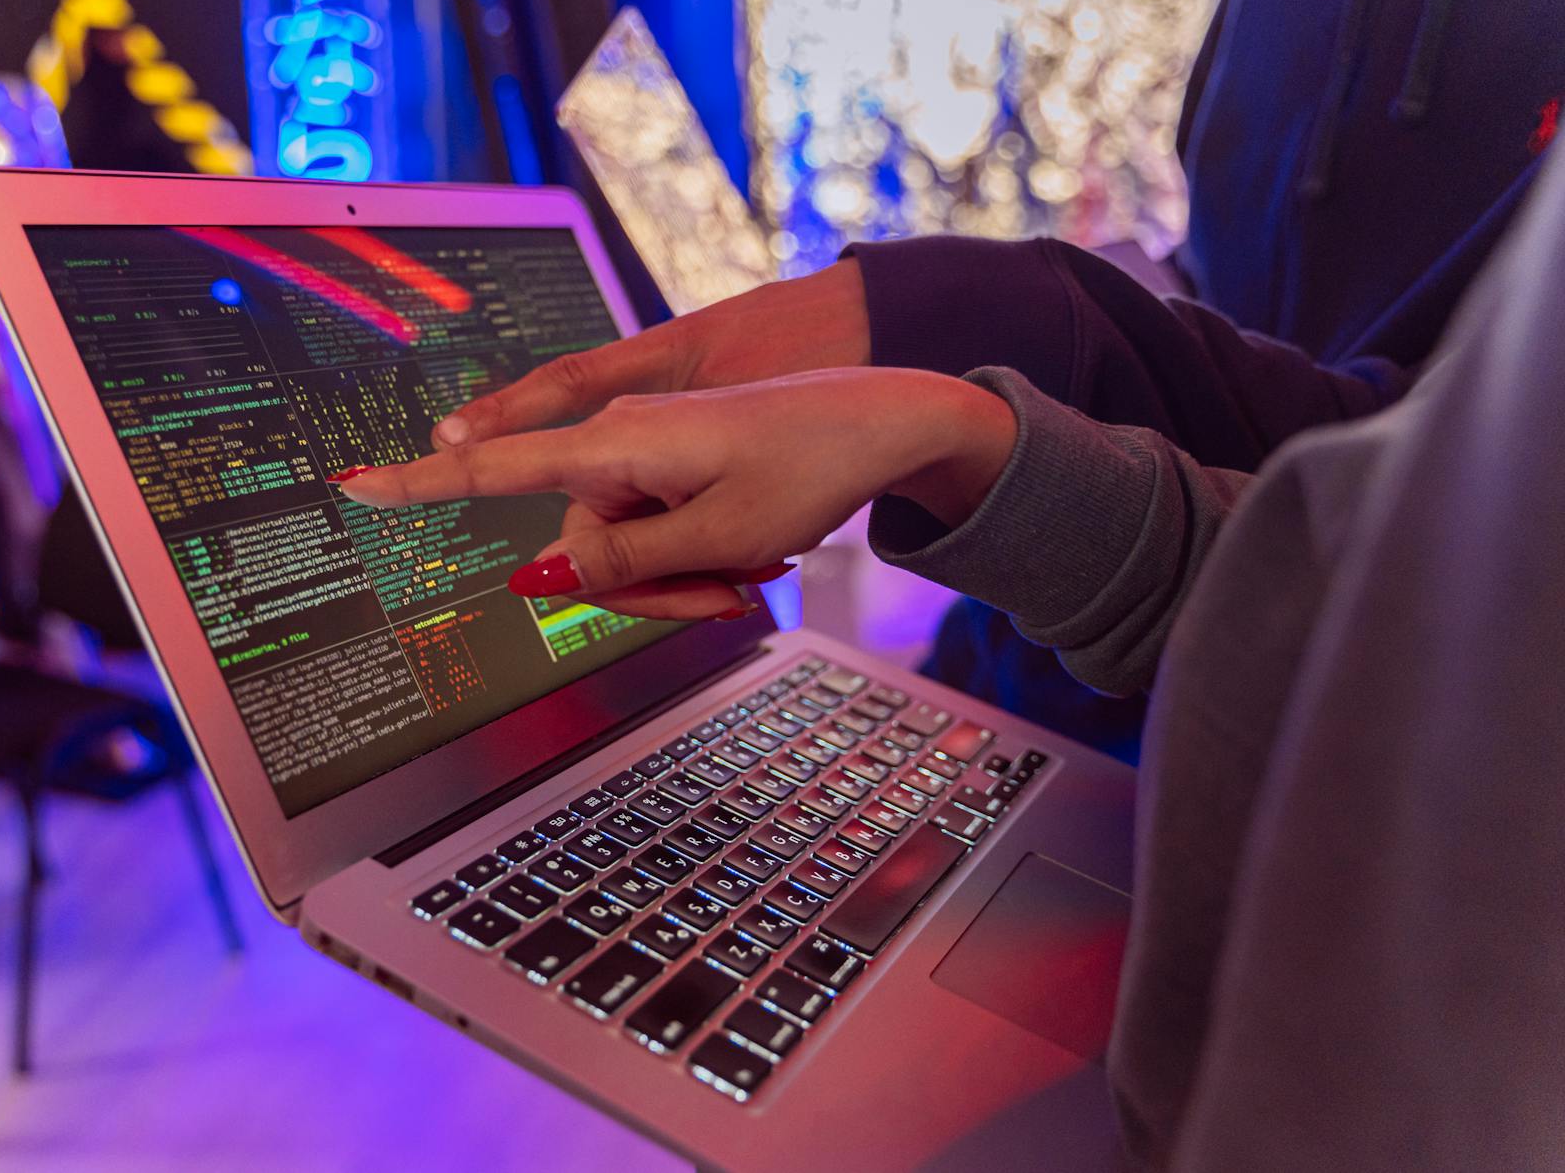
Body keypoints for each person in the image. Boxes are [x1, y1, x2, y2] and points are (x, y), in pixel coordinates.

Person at [332, 102, 1565, 1173]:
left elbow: (1449, 623)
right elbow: (1377, 509)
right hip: (1204, 803)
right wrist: (949, 412)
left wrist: (962, 364)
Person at [421, 0, 1565, 761]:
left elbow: (1472, 608)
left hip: (1341, 878)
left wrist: (964, 382)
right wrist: (961, 680)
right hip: (1074, 708)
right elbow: (1260, 346)